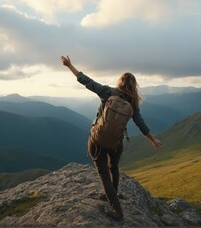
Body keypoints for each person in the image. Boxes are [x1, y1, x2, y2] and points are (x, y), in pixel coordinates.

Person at [61, 55, 162, 221]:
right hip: (116, 143)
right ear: (134, 86)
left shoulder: (108, 92)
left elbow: (87, 81)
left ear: (120, 82)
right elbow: (140, 123)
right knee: (113, 167)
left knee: (103, 175)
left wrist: (70, 66)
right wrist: (153, 139)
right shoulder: (133, 103)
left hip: (97, 140)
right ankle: (113, 195)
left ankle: (116, 209)